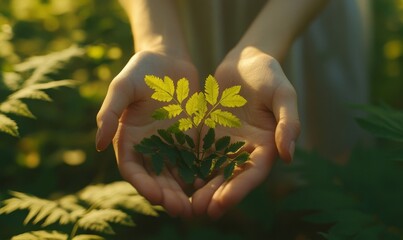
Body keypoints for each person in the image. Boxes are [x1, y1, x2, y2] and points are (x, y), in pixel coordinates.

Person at [95, 0, 370, 219]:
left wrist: (260, 49)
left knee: (325, 178)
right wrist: (158, 44)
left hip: (298, 13)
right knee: (237, 200)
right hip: (187, 23)